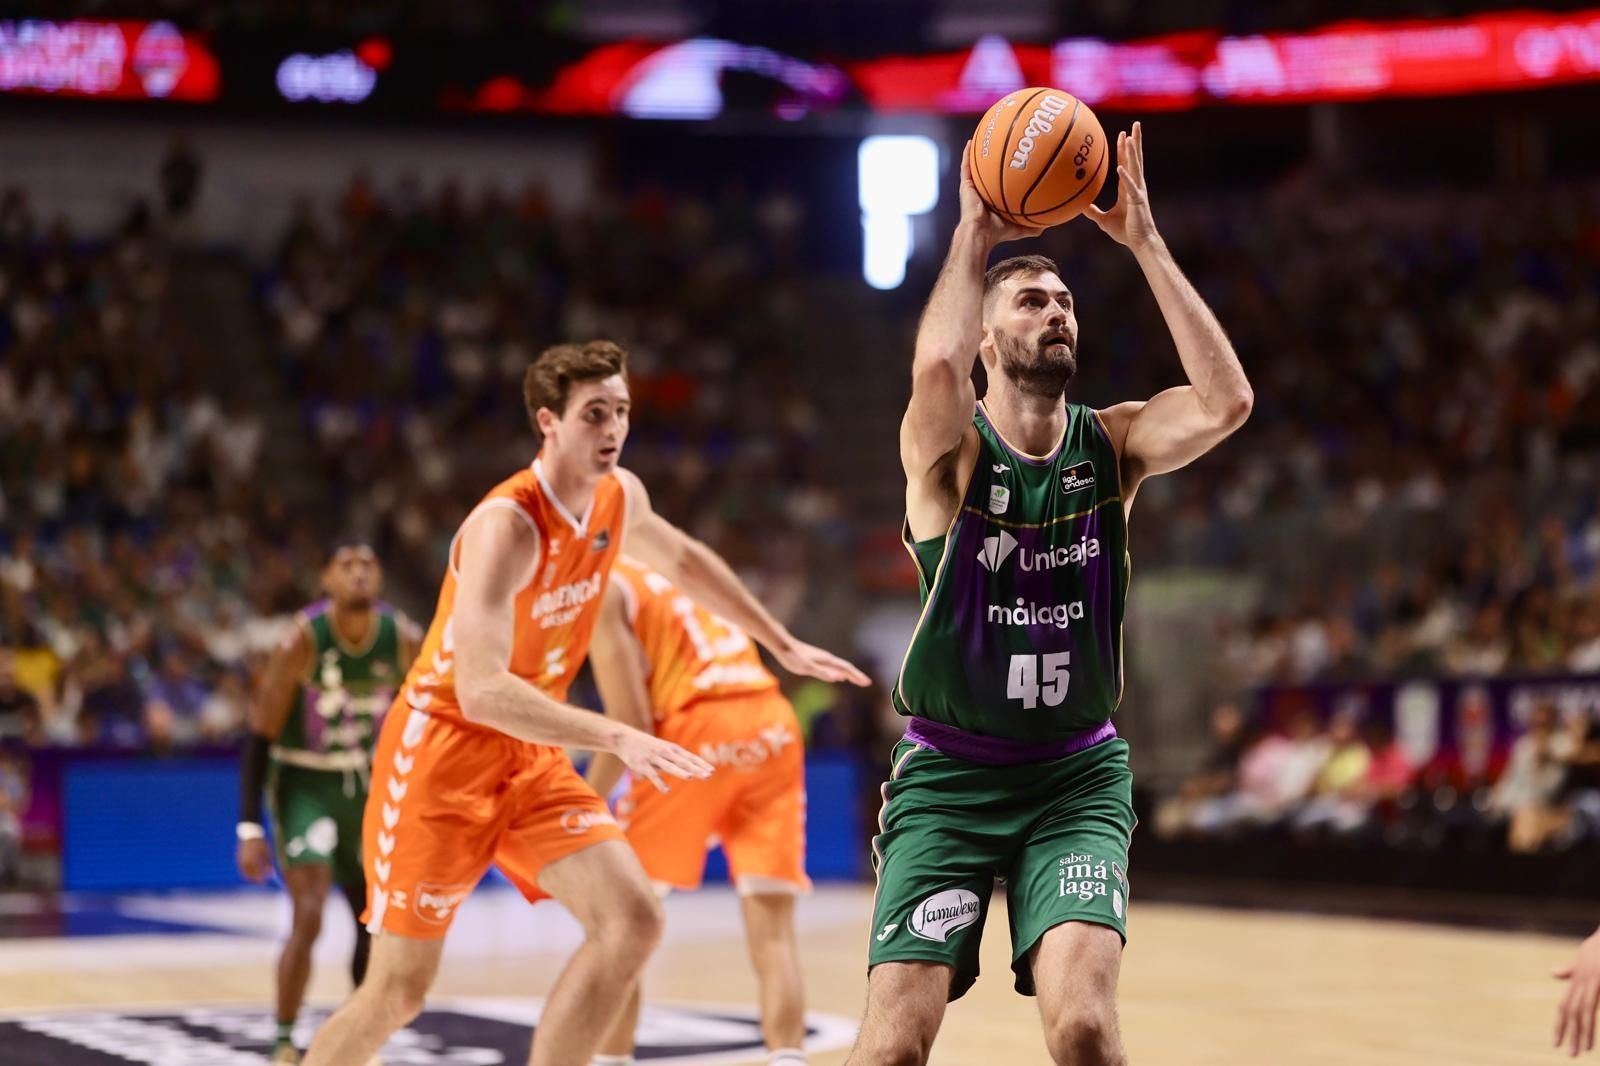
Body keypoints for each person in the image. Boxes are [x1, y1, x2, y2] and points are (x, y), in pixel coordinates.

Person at [303, 341, 866, 1066]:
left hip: (529, 752)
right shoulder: (505, 527)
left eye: (622, 411)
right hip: (441, 755)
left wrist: (780, 641)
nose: (613, 427)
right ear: (549, 422)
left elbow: (687, 560)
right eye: (594, 413)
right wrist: (618, 737)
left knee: (632, 921)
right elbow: (479, 690)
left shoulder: (619, 497)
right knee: (398, 992)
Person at [851, 123, 1252, 1066]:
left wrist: (1145, 244)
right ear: (990, 336)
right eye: (1032, 301)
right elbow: (937, 372)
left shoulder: (1112, 445)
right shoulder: (947, 460)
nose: (1057, 310)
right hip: (949, 779)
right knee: (893, 1047)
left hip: (1074, 778)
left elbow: (1228, 403)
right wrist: (973, 236)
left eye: (1065, 299)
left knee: (1083, 1029)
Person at [586, 555, 811, 1066]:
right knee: (774, 931)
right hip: (770, 723)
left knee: (624, 925)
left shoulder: (607, 585)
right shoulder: (679, 562)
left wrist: (584, 798)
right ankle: (787, 1059)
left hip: (695, 725)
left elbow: (629, 719)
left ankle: (612, 1059)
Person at [236, 542, 421, 1065]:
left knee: (373, 920)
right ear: (326, 580)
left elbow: (433, 714)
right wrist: (248, 826)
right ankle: (283, 1039)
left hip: (368, 788)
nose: (359, 573)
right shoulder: (303, 639)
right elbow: (259, 732)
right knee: (310, 914)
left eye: (368, 564)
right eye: (347, 565)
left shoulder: (403, 637)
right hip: (306, 784)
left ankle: (357, 1036)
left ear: (381, 579)